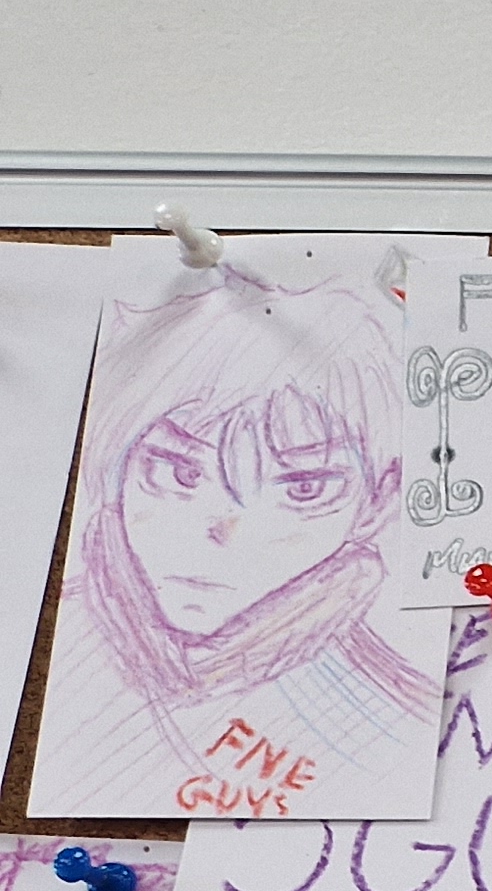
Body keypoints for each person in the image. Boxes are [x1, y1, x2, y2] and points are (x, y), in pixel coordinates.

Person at [33, 262, 425, 812]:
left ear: (377, 502)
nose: (222, 533)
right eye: (181, 474)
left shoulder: (394, 717)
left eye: (304, 488)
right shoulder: (42, 648)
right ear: (118, 465)